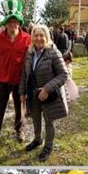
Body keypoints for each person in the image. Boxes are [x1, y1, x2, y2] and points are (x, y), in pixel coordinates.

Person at [0, 0, 31, 158]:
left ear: (19, 23)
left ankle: (19, 129)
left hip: (19, 80)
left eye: (15, 22)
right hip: (2, 81)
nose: (13, 25)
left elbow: (30, 60)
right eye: (10, 22)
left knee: (20, 108)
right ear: (6, 23)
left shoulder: (26, 39)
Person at [19, 24, 68, 162]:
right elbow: (24, 74)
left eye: (42, 35)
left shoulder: (53, 52)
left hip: (49, 95)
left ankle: (48, 147)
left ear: (47, 37)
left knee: (49, 122)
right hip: (33, 94)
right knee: (35, 119)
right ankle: (37, 139)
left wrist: (47, 88)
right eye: (36, 35)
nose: (39, 38)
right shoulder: (29, 53)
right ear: (32, 37)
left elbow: (64, 74)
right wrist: (22, 92)